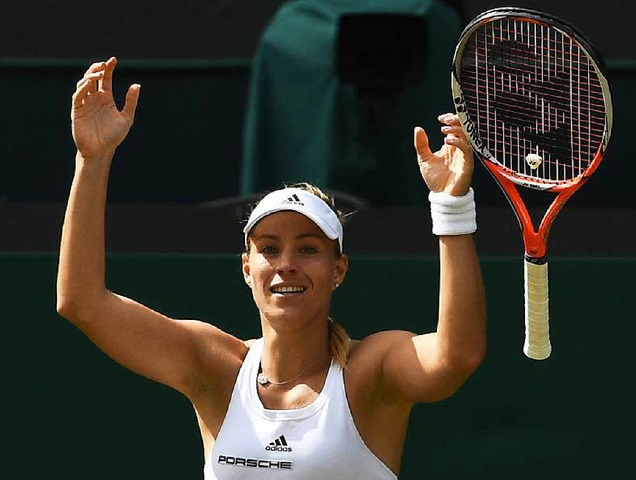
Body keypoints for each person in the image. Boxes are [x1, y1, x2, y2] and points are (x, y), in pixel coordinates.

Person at [57, 57, 486, 480]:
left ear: (339, 270)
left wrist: (451, 207)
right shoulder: (214, 366)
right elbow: (81, 303)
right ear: (247, 268)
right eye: (269, 249)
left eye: (308, 249)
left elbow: (457, 355)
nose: (286, 265)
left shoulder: (372, 369)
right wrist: (92, 161)